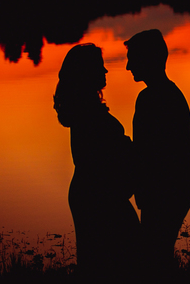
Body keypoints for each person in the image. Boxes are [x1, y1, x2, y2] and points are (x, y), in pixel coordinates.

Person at [53, 43, 139, 279]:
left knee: (100, 265)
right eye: (101, 67)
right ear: (87, 73)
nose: (106, 71)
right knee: (115, 265)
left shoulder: (85, 111)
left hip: (89, 195)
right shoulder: (89, 116)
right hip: (99, 198)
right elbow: (106, 162)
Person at [125, 29, 190, 275]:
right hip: (173, 189)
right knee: (157, 256)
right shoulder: (168, 94)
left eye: (132, 59)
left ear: (147, 59)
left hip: (166, 191)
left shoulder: (152, 98)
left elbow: (150, 155)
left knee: (153, 260)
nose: (127, 67)